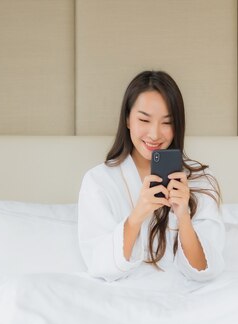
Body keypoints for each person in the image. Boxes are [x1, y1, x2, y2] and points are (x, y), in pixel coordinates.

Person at [77, 70, 225, 287]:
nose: (155, 134)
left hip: (186, 299)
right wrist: (138, 215)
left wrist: (183, 215)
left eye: (167, 122)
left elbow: (204, 270)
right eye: (144, 120)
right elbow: (100, 265)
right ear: (127, 119)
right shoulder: (98, 181)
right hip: (123, 299)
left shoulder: (201, 180)